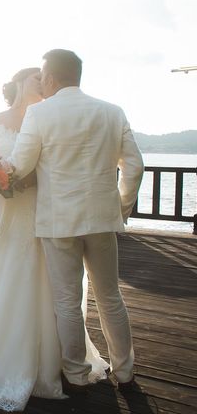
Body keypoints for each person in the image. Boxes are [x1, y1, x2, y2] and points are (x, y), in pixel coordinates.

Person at [0, 67, 108, 412]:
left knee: (44, 280)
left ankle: (49, 358)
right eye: (36, 78)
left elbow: (53, 167)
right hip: (2, 213)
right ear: (18, 82)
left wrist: (21, 181)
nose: (43, 84)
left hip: (38, 212)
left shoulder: (45, 119)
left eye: (45, 79)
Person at [10, 49, 144, 392]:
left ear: (51, 77)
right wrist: (122, 208)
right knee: (110, 296)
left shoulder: (39, 113)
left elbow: (21, 165)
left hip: (58, 222)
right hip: (101, 219)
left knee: (66, 300)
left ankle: (76, 374)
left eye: (43, 75)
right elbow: (135, 167)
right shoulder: (112, 112)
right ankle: (126, 371)